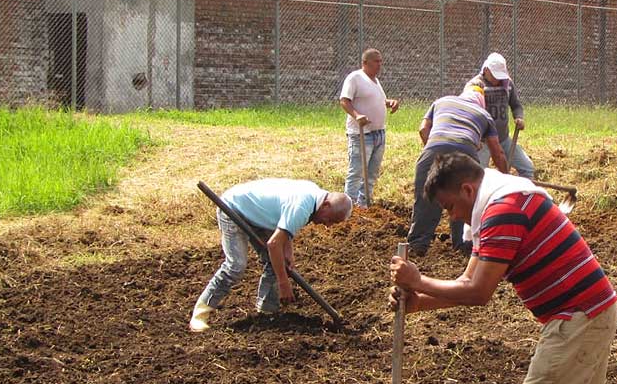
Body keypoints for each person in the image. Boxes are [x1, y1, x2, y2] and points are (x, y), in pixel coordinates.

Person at [390, 152, 617, 384]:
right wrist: (418, 300)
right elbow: (467, 281)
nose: (453, 218)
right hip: (594, 311)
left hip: (579, 316)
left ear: (468, 190)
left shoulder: (503, 210)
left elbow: (478, 292)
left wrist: (418, 280)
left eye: (450, 207)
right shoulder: (497, 201)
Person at [189, 179, 353, 332]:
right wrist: (283, 283)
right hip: (234, 208)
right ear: (326, 205)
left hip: (258, 214)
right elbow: (273, 244)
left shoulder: (314, 197)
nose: (328, 225)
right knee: (236, 266)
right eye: (331, 219)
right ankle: (200, 314)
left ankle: (266, 312)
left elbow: (284, 221)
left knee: (277, 261)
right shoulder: (303, 206)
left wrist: (288, 251)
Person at [407, 86, 508, 257]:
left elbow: (423, 129)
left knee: (426, 197)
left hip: (433, 148)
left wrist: (435, 154)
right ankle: (461, 243)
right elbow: (497, 152)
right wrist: (506, 177)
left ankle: (417, 245)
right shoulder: (484, 115)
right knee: (466, 198)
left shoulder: (441, 101)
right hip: (465, 152)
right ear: (481, 102)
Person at [339, 48, 400, 208]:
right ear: (365, 63)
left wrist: (389, 102)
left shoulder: (375, 81)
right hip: (362, 134)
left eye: (380, 61)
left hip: (379, 133)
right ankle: (348, 207)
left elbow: (378, 100)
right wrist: (357, 115)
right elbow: (344, 101)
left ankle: (363, 205)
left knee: (371, 174)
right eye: (376, 61)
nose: (379, 65)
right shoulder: (355, 78)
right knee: (357, 172)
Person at [465, 52, 535, 179]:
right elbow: (468, 111)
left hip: (503, 139)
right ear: (486, 70)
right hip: (483, 141)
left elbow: (516, 105)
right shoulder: (476, 85)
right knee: (478, 176)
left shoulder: (507, 84)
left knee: (527, 168)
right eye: (495, 76)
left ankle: (523, 198)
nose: (498, 80)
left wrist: (519, 117)